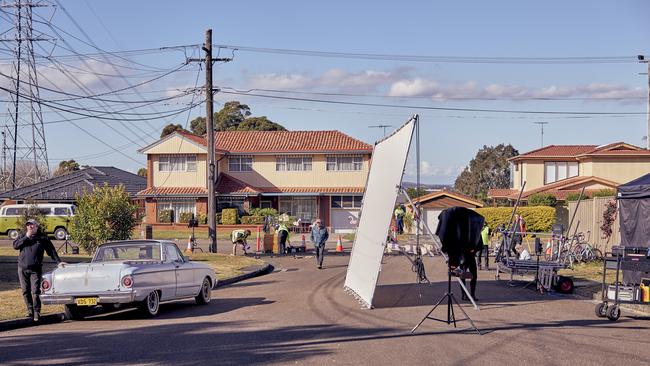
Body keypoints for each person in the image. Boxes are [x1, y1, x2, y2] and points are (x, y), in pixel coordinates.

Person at [13, 219, 64, 321]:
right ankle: (30, 310)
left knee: (36, 291)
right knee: (25, 291)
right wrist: (26, 237)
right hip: (22, 268)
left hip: (35, 269)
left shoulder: (43, 238)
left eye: (32, 225)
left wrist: (58, 262)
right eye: (28, 225)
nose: (30, 227)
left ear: (36, 226)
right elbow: (15, 245)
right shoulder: (23, 235)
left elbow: (51, 251)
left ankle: (37, 312)